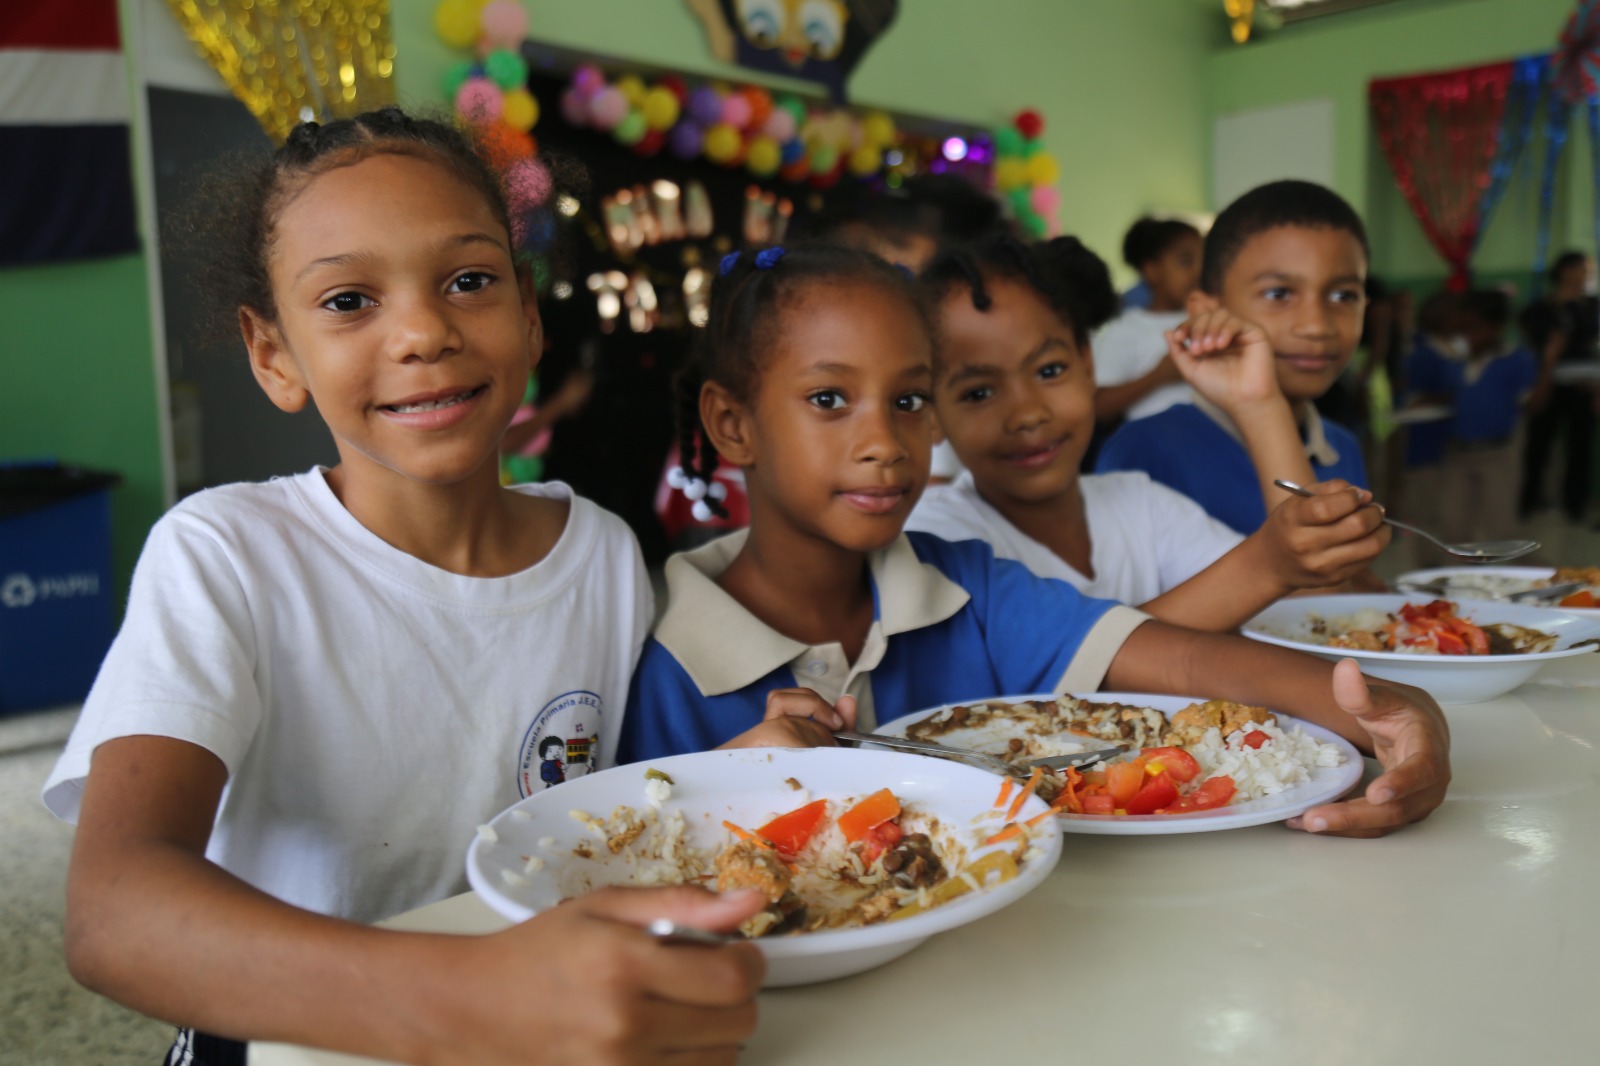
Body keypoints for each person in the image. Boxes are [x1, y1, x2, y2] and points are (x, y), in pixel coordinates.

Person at [42, 109, 765, 1066]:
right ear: (273, 356)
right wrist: (470, 996)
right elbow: (115, 913)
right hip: (291, 1040)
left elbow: (590, 812)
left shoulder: (599, 552)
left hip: (530, 1033)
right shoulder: (226, 555)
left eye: (470, 280)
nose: (424, 331)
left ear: (530, 312)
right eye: (347, 300)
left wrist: (736, 770)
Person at [616, 241, 1448, 839]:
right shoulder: (660, 656)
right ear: (732, 423)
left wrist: (1400, 710)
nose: (883, 440)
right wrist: (724, 782)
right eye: (830, 400)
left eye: (909, 401)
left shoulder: (971, 592)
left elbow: (1188, 662)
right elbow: (626, 856)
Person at [905, 234, 1388, 631]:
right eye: (978, 393)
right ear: (931, 416)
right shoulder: (937, 536)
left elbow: (1312, 608)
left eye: (1050, 371)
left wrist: (1258, 404)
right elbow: (1062, 667)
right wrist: (1268, 564)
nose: (1027, 414)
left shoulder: (1140, 505)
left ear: (1089, 366)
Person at [1094, 181, 1375, 554]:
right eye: (1278, 294)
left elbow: (1344, 599)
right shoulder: (1144, 451)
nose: (1317, 326)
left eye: (1344, 295)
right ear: (1208, 311)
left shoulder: (1341, 447)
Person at [1407, 288, 1549, 543]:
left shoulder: (1516, 360)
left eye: (1476, 328)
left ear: (1497, 327)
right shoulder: (1458, 358)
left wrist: (1549, 361)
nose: (1469, 336)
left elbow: (1531, 404)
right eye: (1464, 329)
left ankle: (1525, 576)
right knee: (1453, 527)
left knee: (1502, 528)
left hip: (1498, 454)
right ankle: (1459, 580)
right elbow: (1461, 392)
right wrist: (1432, 399)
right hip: (1457, 454)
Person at [1090, 217, 1204, 427]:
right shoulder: (1126, 329)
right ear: (1152, 271)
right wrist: (1158, 376)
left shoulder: (1208, 318)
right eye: (1186, 261)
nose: (1198, 272)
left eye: (1204, 261)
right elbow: (1097, 407)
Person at [1519, 251, 1598, 523]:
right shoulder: (1544, 307)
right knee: (1539, 444)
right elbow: (1541, 345)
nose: (1585, 274)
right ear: (1565, 270)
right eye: (1581, 268)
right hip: (1548, 381)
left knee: (1580, 446)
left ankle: (1574, 504)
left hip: (1586, 384)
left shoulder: (1591, 305)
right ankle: (1529, 500)